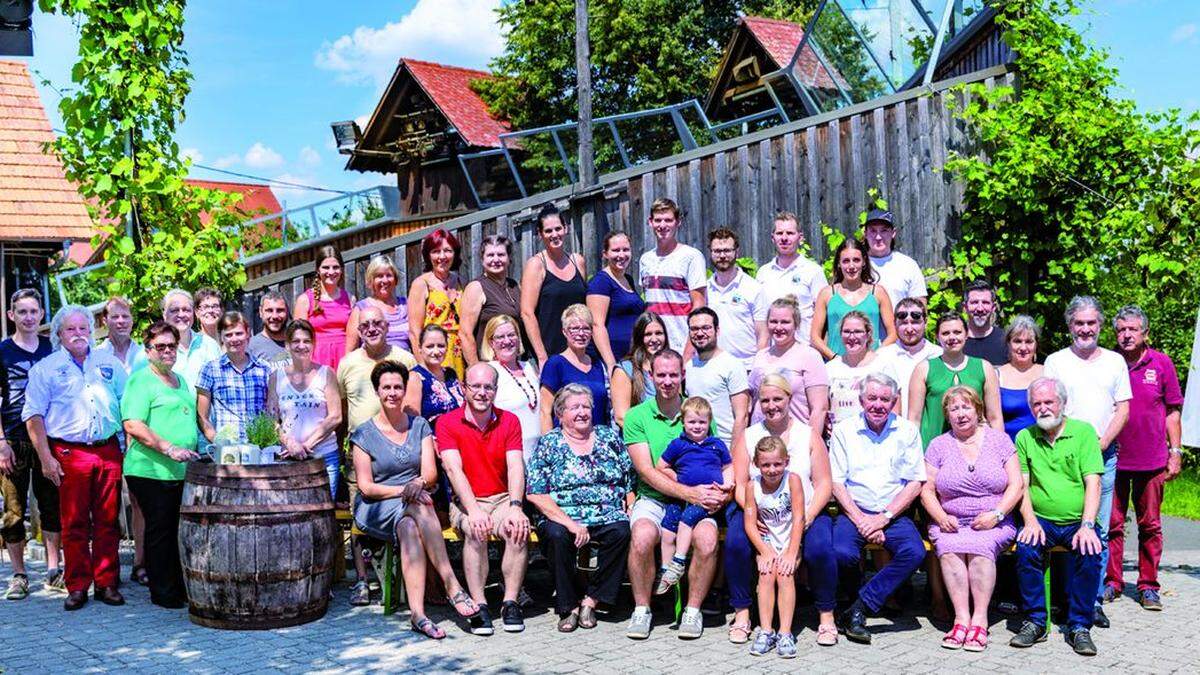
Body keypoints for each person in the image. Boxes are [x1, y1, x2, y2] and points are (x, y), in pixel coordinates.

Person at [350, 360, 481, 640]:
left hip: (414, 502)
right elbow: (366, 487)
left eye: (398, 387)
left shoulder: (419, 425)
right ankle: (452, 585)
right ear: (377, 391)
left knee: (410, 527)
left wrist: (418, 483)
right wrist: (405, 490)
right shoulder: (364, 433)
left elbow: (430, 474)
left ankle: (418, 615)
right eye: (387, 387)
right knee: (420, 503)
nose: (393, 393)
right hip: (377, 505)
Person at [23, 305, 128, 610]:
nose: (79, 334)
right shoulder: (46, 368)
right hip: (69, 452)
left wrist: (128, 447)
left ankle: (107, 583)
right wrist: (45, 457)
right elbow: (33, 415)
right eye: (71, 329)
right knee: (74, 522)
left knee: (109, 520)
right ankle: (78, 585)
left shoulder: (108, 364)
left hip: (108, 449)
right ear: (59, 334)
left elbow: (127, 403)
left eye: (83, 328)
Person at [622, 349, 727, 640]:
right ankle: (642, 609)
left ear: (682, 375)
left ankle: (693, 611)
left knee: (706, 540)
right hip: (654, 498)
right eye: (661, 375)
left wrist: (719, 493)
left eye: (673, 374)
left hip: (698, 500)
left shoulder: (697, 412)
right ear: (651, 377)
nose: (667, 381)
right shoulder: (637, 416)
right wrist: (689, 492)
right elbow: (646, 470)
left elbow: (716, 459)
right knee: (642, 535)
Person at [727, 374, 835, 646]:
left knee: (821, 547)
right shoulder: (750, 437)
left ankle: (826, 616)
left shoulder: (807, 434)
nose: (771, 405)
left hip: (803, 511)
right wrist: (755, 511)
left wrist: (807, 517)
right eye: (765, 400)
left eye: (777, 398)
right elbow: (740, 484)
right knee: (737, 542)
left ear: (789, 398)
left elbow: (824, 484)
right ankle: (742, 614)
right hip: (759, 510)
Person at [1043, 296, 1130, 627]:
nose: (1085, 328)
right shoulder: (1056, 361)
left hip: (1103, 455)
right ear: (1069, 326)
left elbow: (1123, 408)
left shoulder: (1114, 362)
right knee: (1064, 527)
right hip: (1063, 457)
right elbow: (1049, 406)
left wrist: (1103, 441)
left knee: (1097, 530)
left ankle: (1092, 601)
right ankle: (1066, 600)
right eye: (1079, 323)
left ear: (1100, 325)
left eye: (1091, 322)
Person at [920, 386, 1022, 652]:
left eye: (966, 407)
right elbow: (927, 490)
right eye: (954, 409)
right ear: (947, 415)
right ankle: (961, 618)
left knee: (979, 548)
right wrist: (940, 517)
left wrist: (997, 514)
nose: (961, 414)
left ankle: (980, 619)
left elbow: (1016, 485)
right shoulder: (938, 445)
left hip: (993, 520)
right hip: (950, 521)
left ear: (978, 410)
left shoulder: (999, 441)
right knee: (950, 548)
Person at [829, 373, 927, 645]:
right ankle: (854, 601)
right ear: (861, 400)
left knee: (914, 552)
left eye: (885, 399)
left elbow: (915, 482)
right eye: (872, 398)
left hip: (892, 513)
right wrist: (863, 521)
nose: (878, 404)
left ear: (894, 401)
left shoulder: (907, 430)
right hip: (854, 511)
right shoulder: (844, 430)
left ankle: (857, 609)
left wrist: (883, 519)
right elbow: (837, 482)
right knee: (842, 553)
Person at [527, 384, 634, 632]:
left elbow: (629, 476)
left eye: (586, 406)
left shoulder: (608, 437)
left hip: (606, 512)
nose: (582, 412)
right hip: (561, 514)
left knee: (622, 532)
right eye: (574, 407)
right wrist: (571, 524)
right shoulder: (549, 443)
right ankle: (568, 606)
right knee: (557, 536)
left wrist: (630, 503)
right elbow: (536, 493)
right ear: (560, 414)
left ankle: (592, 600)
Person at [1010, 377, 1104, 657]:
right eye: (1036, 403)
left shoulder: (1084, 432)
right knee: (1026, 549)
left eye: (1048, 402)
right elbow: (1022, 486)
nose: (1043, 408)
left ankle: (1079, 626)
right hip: (1041, 519)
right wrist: (1029, 521)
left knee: (1091, 552)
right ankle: (1036, 621)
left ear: (1062, 403)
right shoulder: (1025, 437)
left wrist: (1088, 525)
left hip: (1078, 519)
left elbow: (1093, 483)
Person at [436, 363, 531, 636]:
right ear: (465, 389)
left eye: (487, 387)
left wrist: (515, 506)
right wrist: (474, 510)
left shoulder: (509, 420)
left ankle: (510, 602)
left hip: (502, 497)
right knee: (476, 531)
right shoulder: (448, 422)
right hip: (467, 498)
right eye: (475, 386)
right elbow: (453, 469)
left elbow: (515, 466)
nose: (481, 392)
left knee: (518, 529)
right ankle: (479, 605)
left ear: (495, 390)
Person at [337, 304, 417, 606]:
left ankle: (403, 580)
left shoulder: (404, 359)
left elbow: (413, 402)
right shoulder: (347, 363)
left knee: (402, 513)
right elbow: (343, 412)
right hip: (361, 454)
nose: (371, 329)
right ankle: (361, 580)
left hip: (397, 454)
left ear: (387, 327)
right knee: (360, 516)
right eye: (365, 325)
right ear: (358, 330)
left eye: (378, 324)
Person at [120, 321, 200, 609]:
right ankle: (163, 593)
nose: (167, 351)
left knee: (176, 530)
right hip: (150, 469)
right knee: (161, 530)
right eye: (160, 346)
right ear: (148, 350)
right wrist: (168, 447)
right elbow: (132, 423)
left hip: (180, 471)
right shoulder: (141, 380)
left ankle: (177, 587)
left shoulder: (180, 380)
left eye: (171, 346)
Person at [1107, 305, 1182, 611]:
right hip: (1112, 458)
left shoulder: (1161, 364)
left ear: (1145, 333)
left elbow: (1173, 411)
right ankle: (1111, 581)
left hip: (1152, 460)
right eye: (1121, 329)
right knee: (1111, 524)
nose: (1126, 335)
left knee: (1150, 525)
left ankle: (1148, 585)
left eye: (1133, 329)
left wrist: (1175, 452)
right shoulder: (1107, 363)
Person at [0, 289, 61, 599]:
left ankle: (53, 570)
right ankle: (19, 574)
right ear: (12, 315)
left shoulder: (52, 349)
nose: (28, 317)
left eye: (33, 311)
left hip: (49, 439)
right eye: (21, 312)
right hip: (13, 439)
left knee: (52, 505)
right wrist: (0, 443)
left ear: (41, 315)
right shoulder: (3, 350)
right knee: (13, 511)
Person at [653, 397, 733, 594]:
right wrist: (677, 479)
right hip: (682, 496)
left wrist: (727, 485)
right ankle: (666, 569)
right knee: (668, 526)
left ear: (709, 422)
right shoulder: (678, 444)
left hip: (707, 498)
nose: (697, 426)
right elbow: (661, 466)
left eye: (702, 422)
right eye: (692, 422)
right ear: (683, 422)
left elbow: (728, 466)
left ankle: (679, 561)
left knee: (688, 519)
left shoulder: (716, 444)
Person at [744, 436, 806, 659]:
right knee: (767, 573)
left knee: (785, 573)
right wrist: (764, 550)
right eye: (766, 465)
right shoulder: (752, 487)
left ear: (786, 461)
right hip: (768, 541)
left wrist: (791, 552)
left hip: (791, 540)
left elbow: (799, 518)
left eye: (777, 464)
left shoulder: (793, 481)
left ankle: (785, 633)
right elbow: (749, 524)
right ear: (756, 464)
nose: (772, 470)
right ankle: (766, 630)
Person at [267, 320, 342, 497]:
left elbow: (336, 416)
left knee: (323, 512)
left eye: (307, 341)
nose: (302, 346)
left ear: (313, 344)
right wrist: (290, 444)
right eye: (296, 341)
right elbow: (271, 419)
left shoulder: (327, 373)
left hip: (324, 457)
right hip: (288, 457)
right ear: (287, 345)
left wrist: (307, 445)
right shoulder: (276, 377)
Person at [908, 313, 1003, 448]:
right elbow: (914, 419)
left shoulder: (984, 367)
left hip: (977, 449)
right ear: (937, 337)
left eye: (957, 332)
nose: (952, 337)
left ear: (966, 334)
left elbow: (995, 417)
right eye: (945, 333)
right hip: (932, 449)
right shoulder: (923, 369)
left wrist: (998, 450)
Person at [521, 205, 588, 367]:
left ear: (566, 229)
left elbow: (584, 307)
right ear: (540, 234)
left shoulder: (577, 261)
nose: (554, 235)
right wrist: (542, 357)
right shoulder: (536, 265)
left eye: (558, 229)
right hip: (550, 353)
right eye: (548, 231)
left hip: (579, 351)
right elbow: (527, 313)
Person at [748, 296, 828, 430]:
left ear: (796, 324)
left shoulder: (810, 356)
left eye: (785, 322)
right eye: (773, 321)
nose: (778, 327)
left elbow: (819, 409)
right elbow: (751, 401)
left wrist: (810, 444)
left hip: (794, 437)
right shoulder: (760, 356)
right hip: (761, 438)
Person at [637, 198, 706, 353]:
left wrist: (688, 353)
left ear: (677, 222)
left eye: (668, 220)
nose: (662, 225)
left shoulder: (691, 257)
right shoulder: (645, 260)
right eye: (658, 220)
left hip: (681, 345)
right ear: (650, 222)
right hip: (653, 347)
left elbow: (699, 306)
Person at [812, 237, 896, 359]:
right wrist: (834, 358)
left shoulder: (878, 293)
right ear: (839, 264)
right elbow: (815, 336)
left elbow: (893, 333)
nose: (851, 266)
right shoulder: (827, 294)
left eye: (856, 260)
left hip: (871, 366)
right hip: (837, 366)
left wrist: (876, 356)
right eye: (846, 261)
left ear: (864, 262)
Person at [196, 312, 271, 444]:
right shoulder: (210, 369)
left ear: (248, 333)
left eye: (239, 333)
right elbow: (202, 416)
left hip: (260, 446)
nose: (234, 339)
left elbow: (273, 412)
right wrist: (217, 441)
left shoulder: (264, 368)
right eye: (228, 335)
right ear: (221, 337)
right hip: (228, 449)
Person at [682, 307, 749, 447]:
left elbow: (742, 416)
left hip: (725, 446)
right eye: (694, 329)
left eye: (706, 328)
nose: (700, 333)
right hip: (696, 448)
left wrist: (733, 455)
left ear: (717, 331)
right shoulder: (689, 367)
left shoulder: (732, 365)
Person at [755, 211, 827, 340]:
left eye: (790, 233)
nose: (784, 238)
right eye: (779, 233)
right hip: (771, 352)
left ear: (800, 238)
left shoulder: (813, 271)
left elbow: (824, 315)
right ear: (773, 238)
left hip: (805, 349)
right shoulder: (763, 273)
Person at [539, 304, 611, 431]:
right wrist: (549, 444)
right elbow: (545, 412)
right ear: (564, 332)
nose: (581, 333)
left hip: (598, 439)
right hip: (567, 440)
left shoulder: (597, 364)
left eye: (586, 328)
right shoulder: (555, 364)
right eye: (575, 328)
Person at [705, 228, 768, 369]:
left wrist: (758, 369)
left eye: (727, 250)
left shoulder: (753, 288)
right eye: (717, 251)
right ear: (711, 253)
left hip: (746, 367)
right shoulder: (704, 290)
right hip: (712, 366)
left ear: (736, 252)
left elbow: (763, 334)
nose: (722, 255)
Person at [480, 315, 540, 457]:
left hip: (539, 454)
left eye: (511, 335)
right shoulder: (488, 372)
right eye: (500, 337)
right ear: (491, 342)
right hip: (510, 455)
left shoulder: (530, 368)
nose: (507, 341)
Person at [407, 229, 465, 376]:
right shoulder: (421, 284)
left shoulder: (460, 281)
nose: (442, 256)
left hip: (460, 352)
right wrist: (424, 368)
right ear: (428, 255)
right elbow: (415, 332)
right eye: (435, 251)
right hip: (435, 352)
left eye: (447, 251)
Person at [461, 234, 525, 366]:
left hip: (515, 362)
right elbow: (465, 334)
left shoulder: (514, 286)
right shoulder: (476, 287)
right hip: (489, 364)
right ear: (482, 259)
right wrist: (475, 368)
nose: (496, 259)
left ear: (509, 259)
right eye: (490, 255)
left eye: (501, 255)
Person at [135, 288, 220, 387]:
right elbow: (137, 387)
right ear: (164, 315)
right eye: (174, 310)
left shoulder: (210, 345)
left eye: (186, 310)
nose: (181, 314)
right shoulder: (150, 350)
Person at [825, 311, 899, 424]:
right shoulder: (830, 368)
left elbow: (895, 409)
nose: (852, 337)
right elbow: (823, 408)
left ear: (868, 334)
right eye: (846, 332)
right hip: (839, 437)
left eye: (858, 332)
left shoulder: (884, 365)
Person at [587, 231, 645, 371]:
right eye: (615, 250)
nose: (621, 255)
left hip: (632, 357)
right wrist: (611, 363)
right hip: (613, 358)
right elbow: (596, 325)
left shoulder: (628, 279)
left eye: (625, 250)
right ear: (605, 254)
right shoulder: (601, 282)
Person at [875, 297, 941, 416]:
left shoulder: (939, 355)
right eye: (904, 323)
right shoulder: (882, 357)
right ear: (894, 324)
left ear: (925, 322)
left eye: (915, 322)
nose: (909, 329)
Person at [293, 245, 354, 371]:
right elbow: (299, 339)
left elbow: (353, 336)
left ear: (341, 269)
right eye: (326, 267)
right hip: (316, 360)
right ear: (318, 270)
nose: (331, 272)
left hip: (344, 360)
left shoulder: (350, 299)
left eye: (335, 267)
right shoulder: (305, 300)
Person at [610, 311, 667, 426]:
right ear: (639, 337)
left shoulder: (671, 367)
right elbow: (621, 417)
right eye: (648, 334)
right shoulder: (624, 370)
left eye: (659, 333)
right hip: (638, 438)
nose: (654, 339)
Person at [347, 255, 411, 354]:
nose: (385, 280)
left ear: (395, 279)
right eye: (379, 276)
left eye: (389, 275)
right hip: (373, 365)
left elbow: (417, 339)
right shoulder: (361, 309)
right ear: (371, 280)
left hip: (404, 364)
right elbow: (350, 351)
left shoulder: (406, 305)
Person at [862, 208, 926, 307]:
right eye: (873, 231)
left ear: (893, 233)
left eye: (884, 231)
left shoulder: (908, 265)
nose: (878, 237)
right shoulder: (856, 265)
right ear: (865, 233)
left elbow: (920, 307)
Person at [403, 325, 465, 426]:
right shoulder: (415, 378)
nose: (436, 352)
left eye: (441, 346)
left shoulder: (451, 374)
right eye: (430, 346)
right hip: (433, 439)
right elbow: (412, 423)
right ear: (420, 348)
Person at [998, 315, 1043, 441]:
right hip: (1008, 449)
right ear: (1008, 343)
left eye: (1029, 342)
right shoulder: (996, 375)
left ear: (1036, 345)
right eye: (1017, 341)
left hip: (1042, 450)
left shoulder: (1048, 373)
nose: (1023, 348)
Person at [962, 280, 1007, 366]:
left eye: (985, 303)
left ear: (993, 307)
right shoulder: (955, 342)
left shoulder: (1006, 340)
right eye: (974, 302)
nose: (980, 309)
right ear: (965, 307)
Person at [94, 296, 144, 372]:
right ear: (105, 321)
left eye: (125, 316)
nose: (121, 321)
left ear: (132, 320)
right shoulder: (97, 356)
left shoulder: (144, 354)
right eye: (115, 317)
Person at [247, 290, 291, 370]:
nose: (275, 316)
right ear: (260, 312)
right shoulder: (251, 347)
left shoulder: (298, 342)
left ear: (287, 312)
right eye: (269, 311)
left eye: (280, 310)